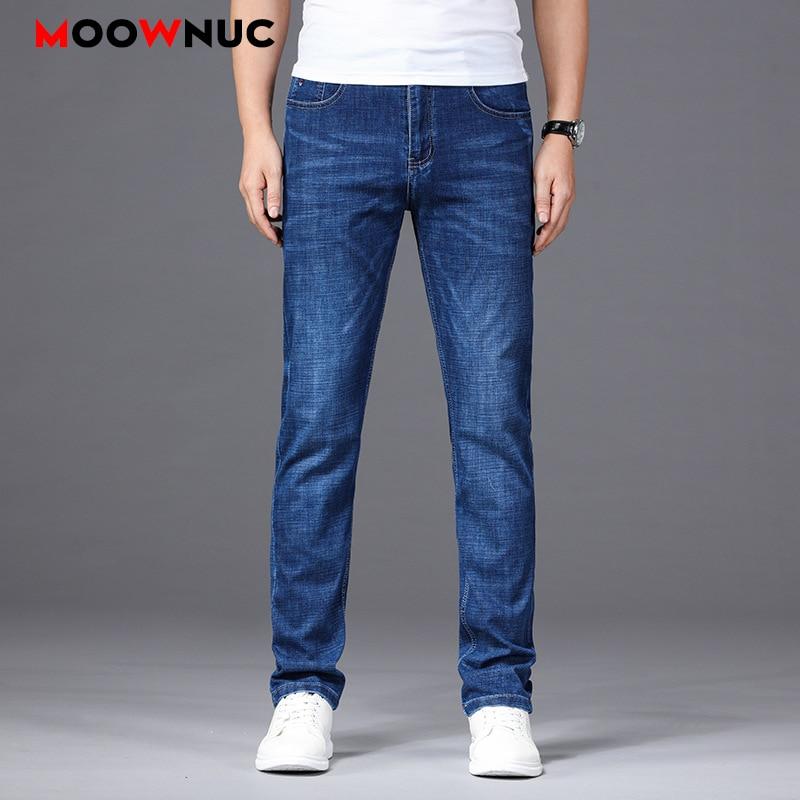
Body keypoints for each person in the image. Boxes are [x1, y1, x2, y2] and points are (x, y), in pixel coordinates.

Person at [231, 0, 587, 777]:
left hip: (484, 114)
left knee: (494, 423)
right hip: (333, 110)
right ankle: (302, 690)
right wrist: (255, 127)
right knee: (317, 417)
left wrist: (562, 129)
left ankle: (500, 696)